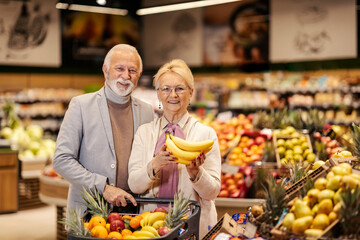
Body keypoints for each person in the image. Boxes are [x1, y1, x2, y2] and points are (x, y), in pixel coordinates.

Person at [53, 44, 154, 217]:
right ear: (105, 70)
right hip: (90, 211)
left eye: (132, 70)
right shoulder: (81, 106)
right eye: (119, 68)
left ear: (138, 75)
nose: (125, 76)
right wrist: (103, 187)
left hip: (135, 212)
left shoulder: (146, 111)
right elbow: (61, 160)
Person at [128, 59, 221, 238]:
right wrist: (154, 164)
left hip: (193, 226)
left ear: (191, 92)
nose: (173, 95)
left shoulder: (206, 135)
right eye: (166, 89)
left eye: (180, 88)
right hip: (151, 227)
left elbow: (212, 192)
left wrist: (196, 173)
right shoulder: (144, 132)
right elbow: (134, 184)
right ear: (158, 94)